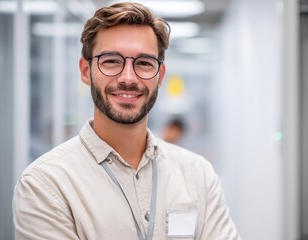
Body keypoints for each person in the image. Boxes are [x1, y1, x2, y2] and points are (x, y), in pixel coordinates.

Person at [12, 2, 240, 240]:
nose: (128, 78)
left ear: (160, 76)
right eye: (111, 60)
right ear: (84, 70)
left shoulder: (197, 175)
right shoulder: (46, 184)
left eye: (143, 63)